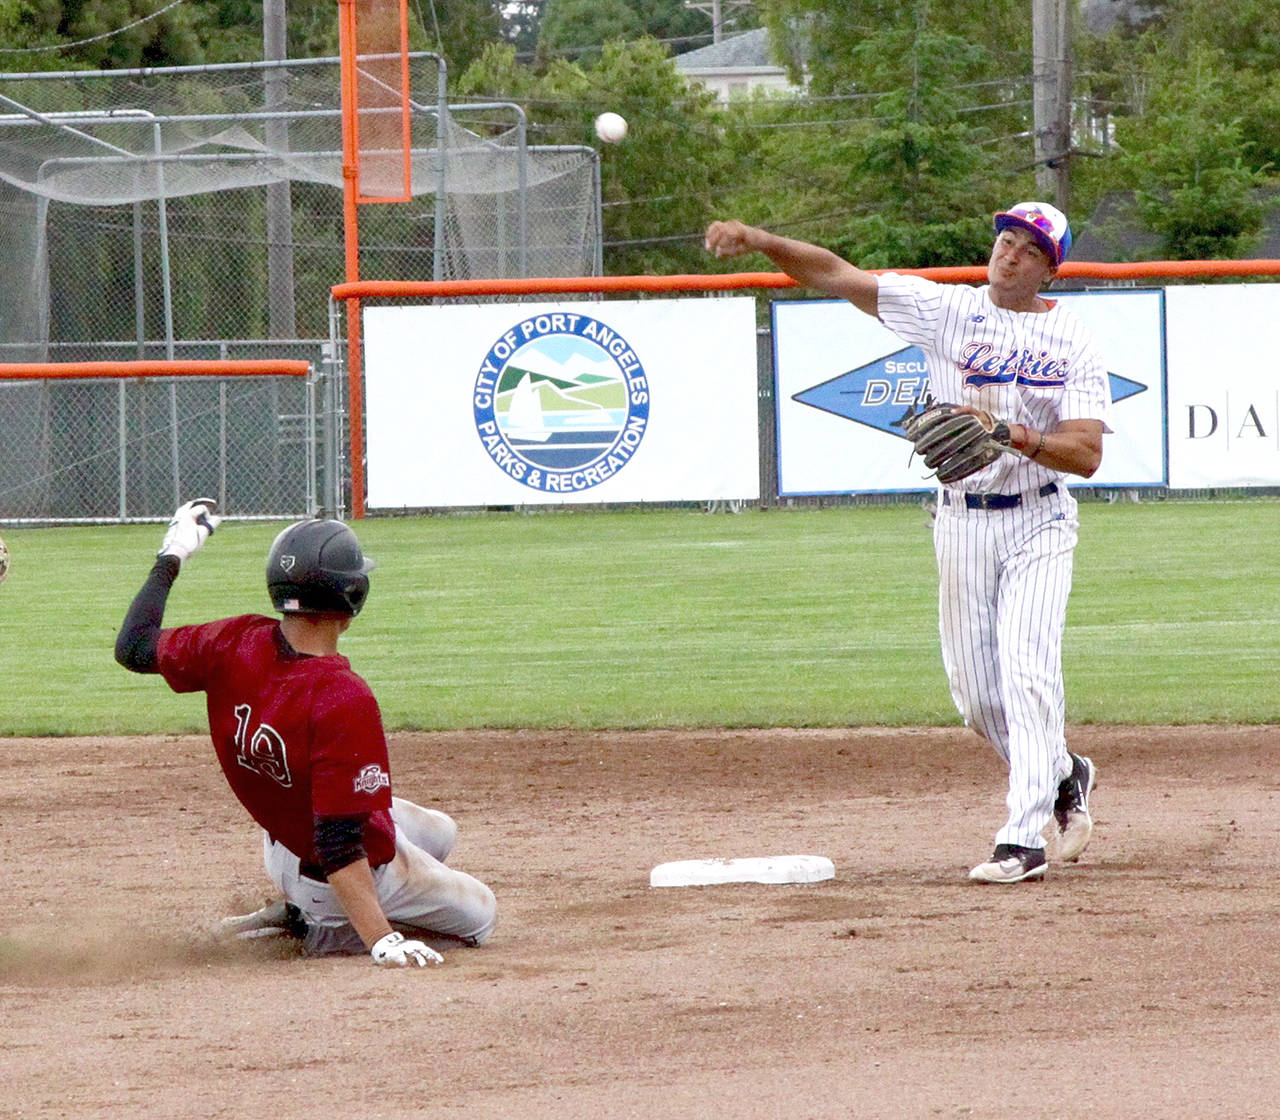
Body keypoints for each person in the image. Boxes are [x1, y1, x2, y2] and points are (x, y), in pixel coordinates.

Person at [706, 202, 1109, 884]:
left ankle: (1022, 839)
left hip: (1040, 520)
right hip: (960, 522)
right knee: (979, 698)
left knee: (1027, 671)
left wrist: (1013, 433)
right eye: (1006, 240)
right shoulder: (946, 311)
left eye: (1028, 248)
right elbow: (835, 275)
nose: (1010, 253)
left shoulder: (1073, 340)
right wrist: (757, 239)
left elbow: (1088, 453)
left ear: (1048, 268)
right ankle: (1063, 771)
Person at [115, 501, 497, 962]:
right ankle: (314, 929)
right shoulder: (343, 696)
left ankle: (313, 909)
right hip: (329, 875)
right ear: (353, 597)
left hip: (283, 848)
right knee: (481, 917)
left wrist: (173, 552)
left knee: (441, 833)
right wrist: (382, 939)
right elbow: (338, 844)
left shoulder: (234, 641)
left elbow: (133, 646)